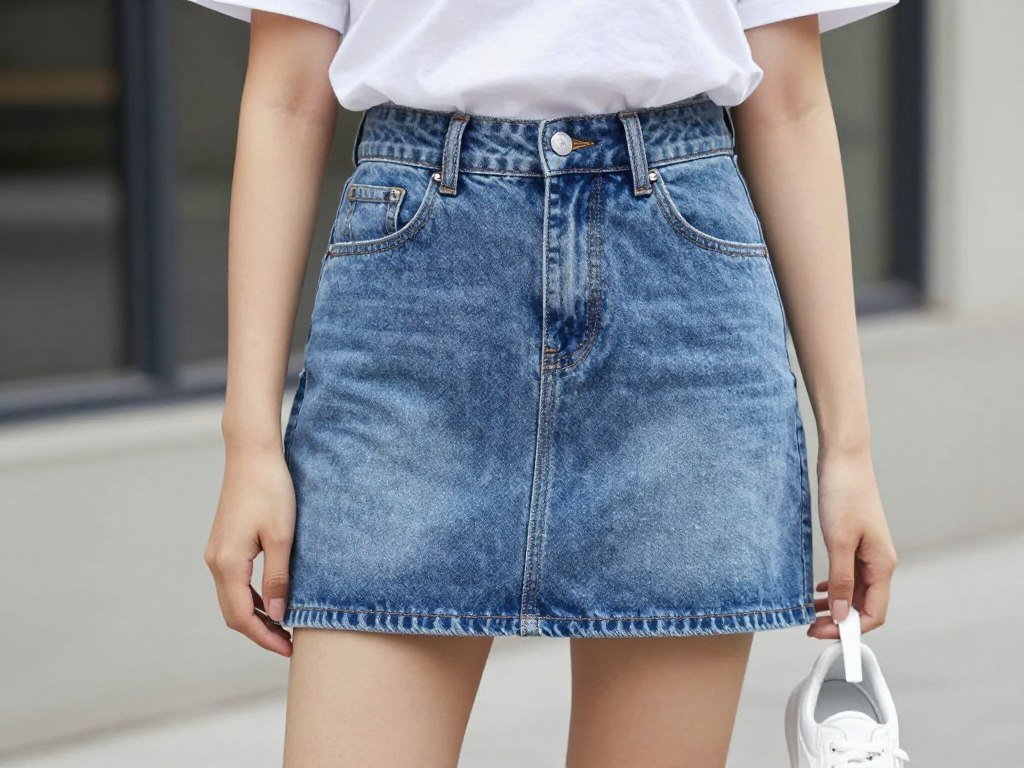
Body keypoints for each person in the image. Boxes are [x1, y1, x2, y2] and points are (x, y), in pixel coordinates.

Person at [192, 1, 901, 765]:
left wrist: (849, 451)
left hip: (678, 291)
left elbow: (789, 103)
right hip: (417, 300)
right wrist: (249, 443)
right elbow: (286, 99)